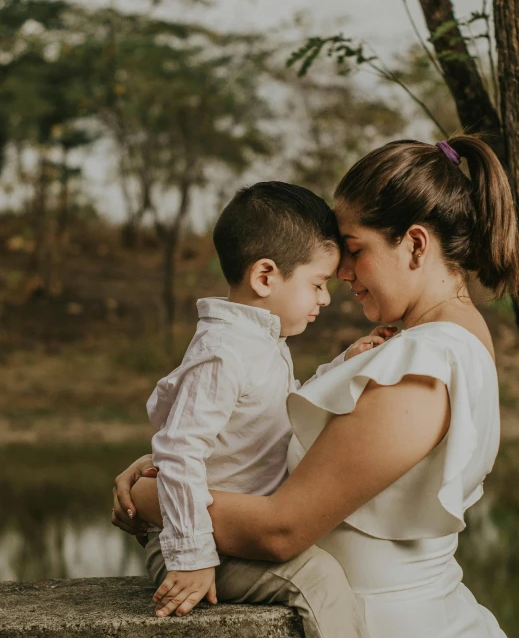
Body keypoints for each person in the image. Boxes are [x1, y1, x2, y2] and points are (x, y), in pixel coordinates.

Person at [113, 135, 518, 637]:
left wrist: (150, 497)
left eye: (354, 249)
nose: (343, 272)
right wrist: (179, 462)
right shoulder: (448, 339)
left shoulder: (421, 364)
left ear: (415, 244)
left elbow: (282, 529)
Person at [132, 181, 378, 637]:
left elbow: (277, 409)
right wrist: (193, 557)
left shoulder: (262, 340)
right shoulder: (223, 352)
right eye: (317, 284)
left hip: (234, 529)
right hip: (201, 544)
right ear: (265, 276)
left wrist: (345, 363)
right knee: (318, 579)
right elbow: (179, 452)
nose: (325, 298)